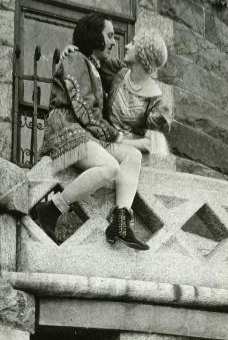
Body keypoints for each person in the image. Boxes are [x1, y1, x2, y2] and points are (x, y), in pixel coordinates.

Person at [36, 13, 149, 251]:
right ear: (93, 35)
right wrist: (119, 137)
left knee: (133, 156)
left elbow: (125, 73)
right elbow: (85, 109)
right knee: (110, 167)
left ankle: (120, 221)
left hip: (88, 134)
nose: (114, 42)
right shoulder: (76, 59)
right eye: (109, 35)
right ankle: (52, 208)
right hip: (66, 129)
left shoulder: (95, 65)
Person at [101, 29, 171, 158]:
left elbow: (152, 145)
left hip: (132, 158)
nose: (126, 46)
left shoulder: (156, 102)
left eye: (133, 43)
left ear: (143, 53)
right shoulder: (117, 72)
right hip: (102, 149)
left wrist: (118, 141)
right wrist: (73, 50)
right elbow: (88, 63)